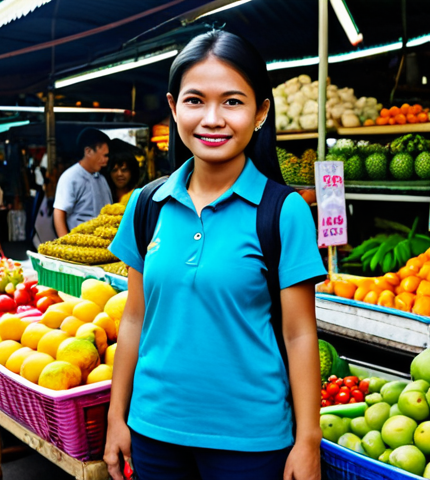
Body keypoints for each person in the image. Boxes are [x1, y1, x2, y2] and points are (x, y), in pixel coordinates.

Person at [104, 31, 325, 480]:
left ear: (261, 112)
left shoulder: (283, 212)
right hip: (154, 432)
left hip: (251, 441)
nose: (212, 119)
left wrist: (307, 441)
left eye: (232, 102)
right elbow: (133, 318)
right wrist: (116, 416)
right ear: (173, 108)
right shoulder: (147, 205)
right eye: (194, 101)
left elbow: (301, 334)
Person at [53, 129, 112, 237]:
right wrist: (65, 244)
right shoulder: (70, 177)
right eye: (104, 155)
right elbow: (59, 212)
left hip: (102, 243)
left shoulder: (101, 178)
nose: (106, 160)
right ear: (88, 151)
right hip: (79, 243)